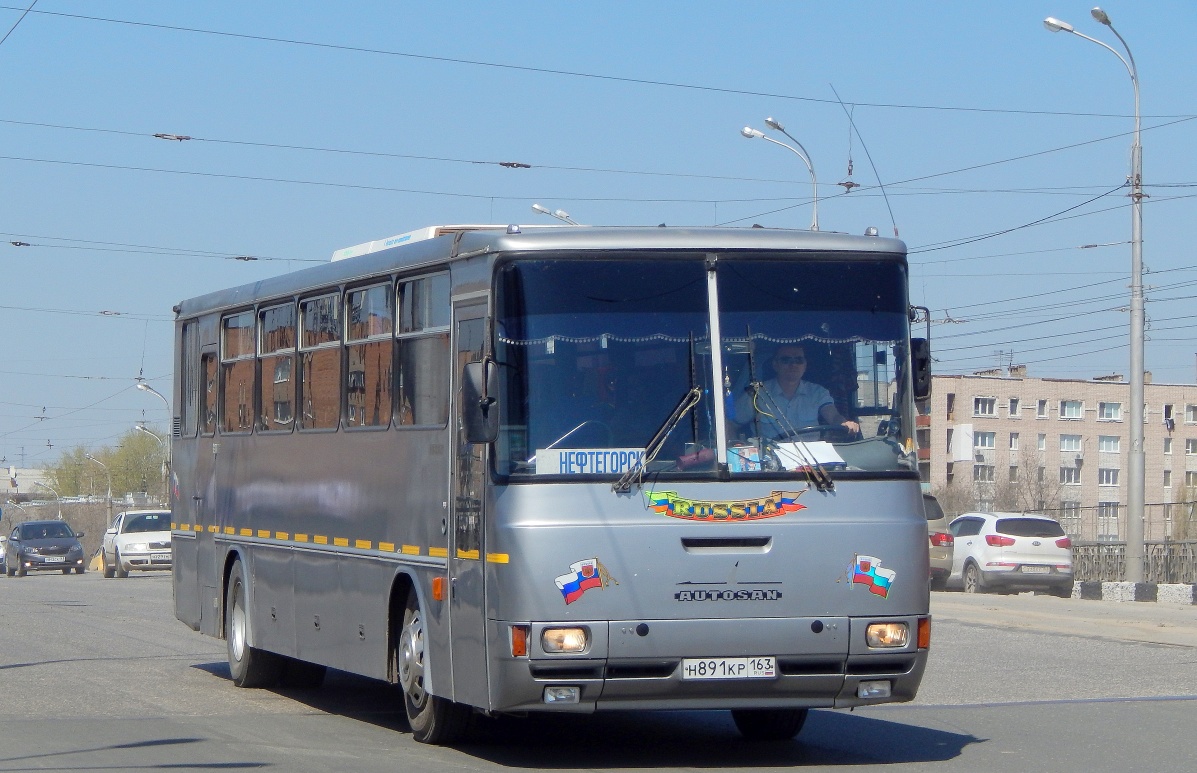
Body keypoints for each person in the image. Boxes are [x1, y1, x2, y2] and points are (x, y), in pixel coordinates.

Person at [733, 343, 860, 440]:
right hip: (770, 468)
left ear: (805, 365)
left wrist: (844, 423)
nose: (793, 365)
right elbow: (730, 424)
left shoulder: (818, 393)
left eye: (799, 360)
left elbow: (833, 417)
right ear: (775, 364)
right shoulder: (756, 394)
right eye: (786, 359)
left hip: (813, 467)